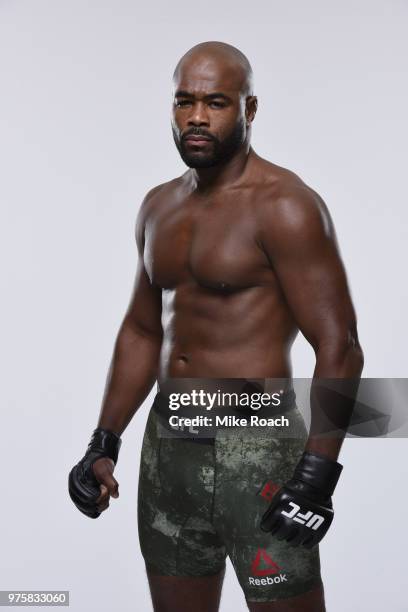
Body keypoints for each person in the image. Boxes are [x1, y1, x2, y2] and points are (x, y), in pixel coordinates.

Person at [68, 41, 364, 611]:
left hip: (260, 449)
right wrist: (103, 442)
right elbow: (142, 331)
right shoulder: (158, 207)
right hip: (169, 448)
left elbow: (340, 346)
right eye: (184, 102)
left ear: (249, 110)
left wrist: (318, 475)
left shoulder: (286, 205)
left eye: (217, 102)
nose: (197, 117)